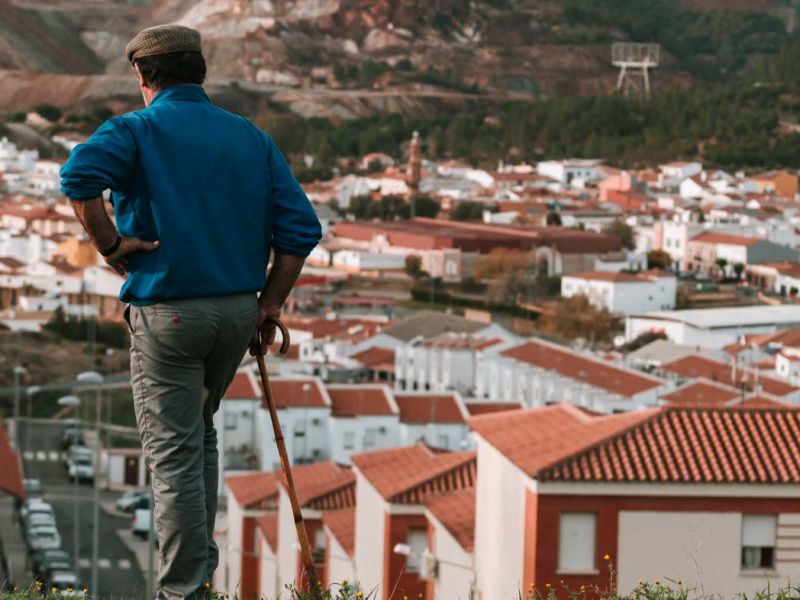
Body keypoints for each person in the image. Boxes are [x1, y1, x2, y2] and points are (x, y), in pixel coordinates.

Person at [60, 24, 322, 599]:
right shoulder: (250, 137)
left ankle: (182, 592)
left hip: (168, 314)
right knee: (199, 436)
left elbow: (78, 179)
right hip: (235, 315)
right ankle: (199, 576)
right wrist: (270, 305)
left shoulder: (135, 130)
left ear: (142, 74)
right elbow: (301, 230)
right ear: (200, 70)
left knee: (173, 453)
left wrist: (109, 245)